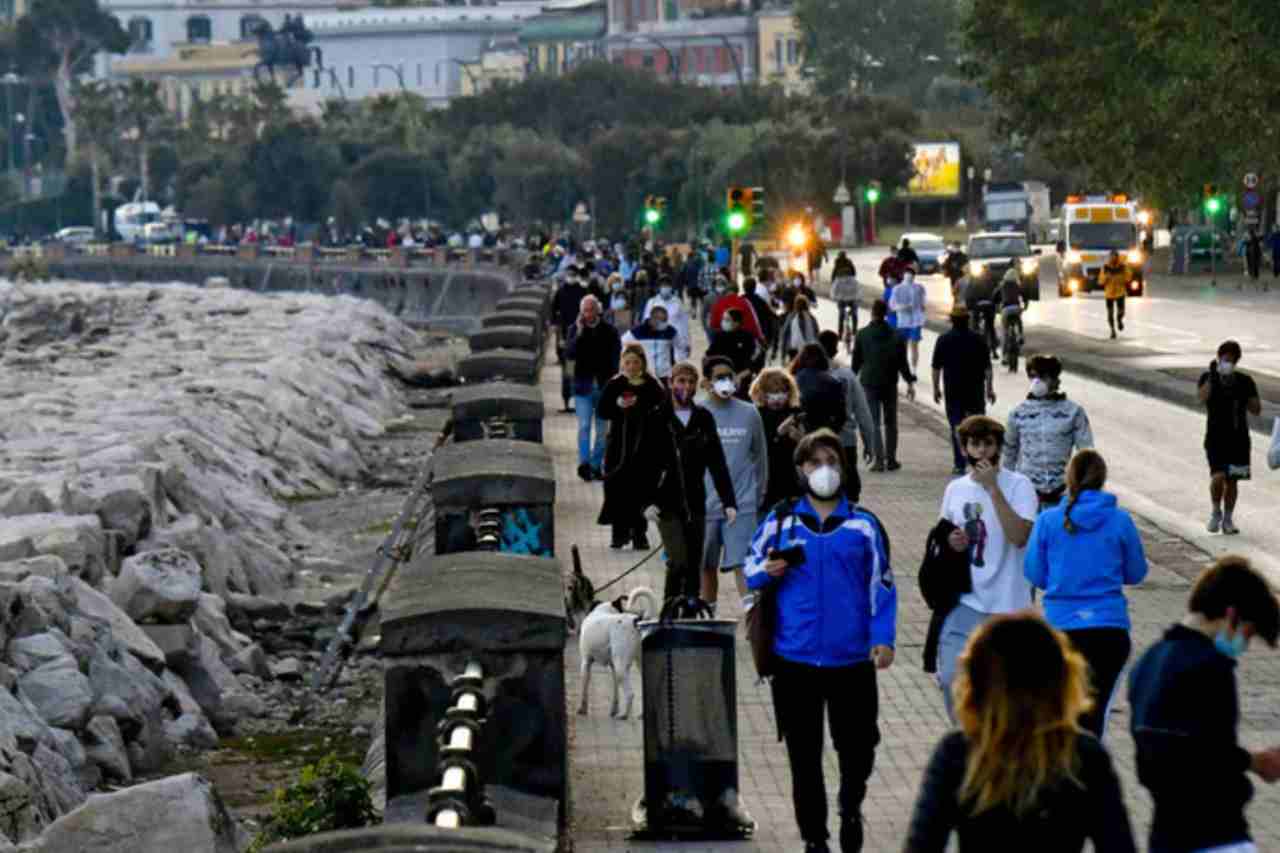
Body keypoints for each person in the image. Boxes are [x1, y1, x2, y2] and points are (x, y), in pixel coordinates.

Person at [744, 429, 896, 853]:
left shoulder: (864, 526)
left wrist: (883, 639)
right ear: (800, 470)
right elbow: (751, 566)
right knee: (804, 757)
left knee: (859, 747)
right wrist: (766, 571)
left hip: (852, 660)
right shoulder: (780, 521)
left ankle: (851, 805)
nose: (823, 469)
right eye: (814, 462)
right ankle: (815, 837)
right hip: (795, 660)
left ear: (842, 469)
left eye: (831, 461)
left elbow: (882, 587)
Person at [904, 612, 1138, 853]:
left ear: (977, 680)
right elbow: (1118, 844)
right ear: (1060, 678)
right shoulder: (1083, 754)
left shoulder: (958, 750)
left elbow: (921, 844)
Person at [1128, 556, 1280, 853]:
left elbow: (1179, 747)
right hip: (1217, 833)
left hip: (1165, 834)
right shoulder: (1211, 668)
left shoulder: (1148, 662)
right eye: (1248, 634)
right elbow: (1211, 755)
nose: (1244, 647)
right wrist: (1255, 762)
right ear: (1232, 615)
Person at [1024, 450, 1148, 739]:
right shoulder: (1121, 521)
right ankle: (1090, 774)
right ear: (1103, 479)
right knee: (1094, 715)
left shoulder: (1048, 520)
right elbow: (1136, 573)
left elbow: (1035, 574)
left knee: (1060, 712)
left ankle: (1059, 774)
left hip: (1061, 629)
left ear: (1069, 479)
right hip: (1109, 630)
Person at [936, 415, 1038, 719]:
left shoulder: (1020, 485)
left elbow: (1019, 537)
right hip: (966, 602)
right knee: (952, 681)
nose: (981, 451)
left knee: (1009, 694)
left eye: (988, 444)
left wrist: (993, 489)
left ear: (998, 447)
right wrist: (951, 542)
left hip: (1010, 605)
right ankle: (967, 744)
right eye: (974, 444)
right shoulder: (955, 489)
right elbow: (942, 539)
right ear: (965, 448)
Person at [642, 361, 738, 603]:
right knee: (678, 560)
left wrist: (729, 501)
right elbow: (642, 465)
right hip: (666, 503)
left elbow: (717, 462)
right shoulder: (657, 417)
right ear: (670, 383)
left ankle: (691, 608)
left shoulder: (703, 418)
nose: (686, 386)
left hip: (696, 501)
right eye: (681, 381)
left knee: (695, 560)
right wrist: (646, 501)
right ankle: (670, 608)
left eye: (691, 381)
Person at [698, 356, 767, 612]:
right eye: (719, 377)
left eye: (730, 375)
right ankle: (709, 614)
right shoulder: (699, 413)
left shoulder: (749, 413)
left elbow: (760, 456)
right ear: (706, 382)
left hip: (743, 504)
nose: (726, 381)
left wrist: (759, 492)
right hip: (706, 505)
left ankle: (753, 617)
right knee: (706, 565)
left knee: (745, 563)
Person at [597, 345, 666, 549]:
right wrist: (618, 405)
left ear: (642, 363)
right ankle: (619, 533)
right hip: (618, 445)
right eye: (628, 362)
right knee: (617, 489)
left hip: (645, 445)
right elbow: (602, 410)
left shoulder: (652, 385)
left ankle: (639, 534)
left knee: (641, 489)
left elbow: (661, 410)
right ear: (622, 363)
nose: (632, 366)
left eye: (636, 362)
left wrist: (641, 404)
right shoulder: (615, 383)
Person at [1004, 354, 1095, 510]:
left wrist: (1083, 490)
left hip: (1063, 495)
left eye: (1043, 376)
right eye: (1033, 376)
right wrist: (1006, 490)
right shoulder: (1018, 414)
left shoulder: (1073, 412)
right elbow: (1008, 454)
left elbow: (1087, 453)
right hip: (1027, 495)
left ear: (1055, 379)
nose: (1037, 381)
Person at [1199, 340, 1261, 535]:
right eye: (1224, 359)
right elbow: (1202, 398)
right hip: (1216, 438)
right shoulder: (1209, 377)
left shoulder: (1245, 381)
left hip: (1239, 439)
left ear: (1236, 362)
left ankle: (1228, 518)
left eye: (1231, 361)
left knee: (1232, 481)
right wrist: (1212, 377)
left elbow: (1256, 409)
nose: (1228, 363)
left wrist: (1241, 391)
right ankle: (1216, 511)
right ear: (1219, 359)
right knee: (1218, 476)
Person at [852, 299, 916, 472]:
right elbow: (903, 364)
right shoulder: (897, 336)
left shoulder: (862, 334)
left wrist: (850, 383)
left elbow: (855, 363)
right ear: (886, 313)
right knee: (891, 423)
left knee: (873, 422)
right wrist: (910, 382)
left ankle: (879, 460)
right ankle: (892, 459)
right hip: (889, 383)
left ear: (872, 313)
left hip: (869, 384)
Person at [932, 306, 996, 476]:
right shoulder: (979, 339)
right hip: (975, 391)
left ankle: (959, 464)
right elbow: (987, 368)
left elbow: (936, 367)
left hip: (953, 392)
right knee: (978, 428)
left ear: (952, 320)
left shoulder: (943, 340)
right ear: (968, 320)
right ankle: (979, 462)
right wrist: (990, 389)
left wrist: (936, 388)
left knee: (956, 427)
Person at [565, 294, 621, 482]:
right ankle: (584, 464)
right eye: (585, 310)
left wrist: (614, 383)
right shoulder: (575, 329)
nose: (588, 314)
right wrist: (579, 332)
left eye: (591, 309)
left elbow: (616, 359)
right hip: (583, 387)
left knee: (602, 431)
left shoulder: (610, 331)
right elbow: (569, 354)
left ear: (598, 310)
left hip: (604, 387)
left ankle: (596, 465)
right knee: (584, 426)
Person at [820, 331, 876, 503]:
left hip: (817, 443)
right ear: (836, 350)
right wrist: (869, 443)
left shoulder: (807, 376)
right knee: (849, 491)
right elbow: (863, 413)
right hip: (845, 441)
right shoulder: (847, 376)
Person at [750, 368, 805, 512]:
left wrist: (800, 439)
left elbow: (809, 449)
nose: (777, 397)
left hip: (790, 481)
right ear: (762, 393)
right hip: (766, 481)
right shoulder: (756, 415)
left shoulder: (795, 414)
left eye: (781, 391)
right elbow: (756, 449)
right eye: (772, 392)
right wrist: (778, 435)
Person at [790, 343, 848, 437]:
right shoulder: (834, 382)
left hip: (798, 433)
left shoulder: (792, 381)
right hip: (823, 433)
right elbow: (841, 416)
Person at [553, 270, 588, 413]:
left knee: (580, 372)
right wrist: (560, 338)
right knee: (568, 372)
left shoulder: (583, 292)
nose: (571, 278)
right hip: (567, 338)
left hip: (582, 336)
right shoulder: (560, 292)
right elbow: (554, 315)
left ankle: (579, 401)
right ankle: (568, 401)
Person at [621, 305, 678, 384]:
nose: (664, 323)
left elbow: (680, 347)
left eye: (666, 320)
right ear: (653, 319)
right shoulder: (638, 332)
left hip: (665, 376)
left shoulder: (670, 331)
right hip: (645, 375)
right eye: (662, 320)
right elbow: (622, 344)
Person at [706, 308, 759, 391]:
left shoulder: (747, 337)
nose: (723, 322)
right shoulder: (719, 336)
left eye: (727, 320)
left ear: (737, 323)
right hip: (720, 378)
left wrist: (740, 376)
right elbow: (710, 356)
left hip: (741, 380)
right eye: (723, 319)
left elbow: (754, 362)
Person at [642, 276, 692, 363]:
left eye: (667, 285)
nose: (665, 288)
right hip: (659, 340)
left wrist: (687, 343)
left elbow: (684, 324)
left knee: (677, 367)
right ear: (659, 287)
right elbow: (646, 323)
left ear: (671, 287)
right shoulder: (652, 302)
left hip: (676, 340)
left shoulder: (677, 302)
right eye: (663, 285)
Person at [889, 268, 927, 372]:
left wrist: (921, 309)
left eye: (911, 274)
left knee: (914, 345)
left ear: (914, 276)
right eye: (907, 274)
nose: (909, 276)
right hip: (903, 321)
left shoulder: (919, 288)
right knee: (904, 347)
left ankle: (914, 370)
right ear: (903, 275)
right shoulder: (897, 288)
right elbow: (892, 305)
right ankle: (904, 368)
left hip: (916, 321)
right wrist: (902, 307)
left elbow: (924, 303)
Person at [1097, 250, 1131, 339]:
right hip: (1109, 293)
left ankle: (1119, 320)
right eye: (1111, 256)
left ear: (1117, 257)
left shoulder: (1122, 266)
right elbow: (1100, 281)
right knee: (1110, 313)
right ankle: (1112, 330)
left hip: (1120, 292)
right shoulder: (1105, 267)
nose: (1113, 258)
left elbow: (1128, 277)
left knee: (1121, 311)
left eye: (1114, 256)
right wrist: (1106, 277)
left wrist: (1124, 275)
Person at [777, 294, 821, 363]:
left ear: (795, 305)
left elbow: (785, 334)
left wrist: (783, 355)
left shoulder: (791, 316)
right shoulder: (812, 318)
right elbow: (817, 334)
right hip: (808, 349)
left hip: (793, 348)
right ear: (807, 305)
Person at [996, 267, 1026, 360]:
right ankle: (1020, 334)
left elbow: (995, 296)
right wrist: (1025, 306)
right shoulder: (1018, 285)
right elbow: (1024, 295)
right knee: (1019, 320)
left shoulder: (1002, 285)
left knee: (1004, 332)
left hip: (1006, 309)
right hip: (1016, 308)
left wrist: (996, 306)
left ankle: (1004, 356)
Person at [830, 252, 860, 344]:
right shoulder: (843, 279)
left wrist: (835, 296)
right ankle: (850, 332)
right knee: (848, 314)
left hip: (846, 299)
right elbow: (833, 291)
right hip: (846, 299)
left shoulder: (851, 280)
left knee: (845, 314)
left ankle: (845, 332)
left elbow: (859, 290)